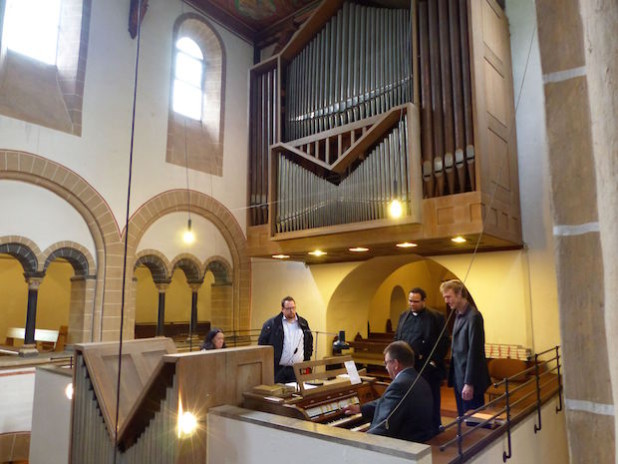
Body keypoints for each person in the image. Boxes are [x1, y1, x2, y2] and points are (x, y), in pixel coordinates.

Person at [343, 341, 435, 443]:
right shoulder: (418, 380)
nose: (386, 367)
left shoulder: (399, 385)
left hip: (403, 446)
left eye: (386, 363)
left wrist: (363, 440)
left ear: (395, 364)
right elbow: (387, 402)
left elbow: (383, 426)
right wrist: (360, 408)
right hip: (419, 440)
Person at [394, 287, 449, 435]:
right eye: (410, 301)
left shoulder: (436, 317)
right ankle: (413, 428)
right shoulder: (403, 316)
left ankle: (434, 427)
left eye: (416, 301)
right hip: (407, 367)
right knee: (409, 399)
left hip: (427, 367)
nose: (412, 304)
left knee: (430, 399)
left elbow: (443, 342)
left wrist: (433, 362)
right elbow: (397, 338)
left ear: (424, 301)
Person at [440, 279, 491, 417]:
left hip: (470, 380)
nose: (446, 300)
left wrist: (469, 383)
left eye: (448, 296)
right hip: (459, 376)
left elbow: (475, 353)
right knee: (463, 417)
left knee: (474, 420)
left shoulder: (473, 317)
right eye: (444, 297)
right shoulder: (457, 315)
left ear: (459, 294)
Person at [258, 296, 313, 383]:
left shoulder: (303, 323)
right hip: (279, 369)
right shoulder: (272, 324)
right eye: (288, 308)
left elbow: (309, 341)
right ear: (282, 309)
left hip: (297, 369)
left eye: (293, 308)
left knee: (297, 394)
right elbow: (262, 344)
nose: (291, 311)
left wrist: (307, 359)